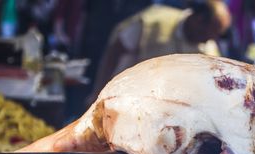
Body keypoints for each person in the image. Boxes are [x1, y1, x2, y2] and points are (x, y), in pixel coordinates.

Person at [89, 0, 231, 102]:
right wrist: (98, 91)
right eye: (207, 33)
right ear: (198, 20)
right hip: (122, 99)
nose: (207, 40)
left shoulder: (209, 51)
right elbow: (115, 51)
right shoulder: (154, 22)